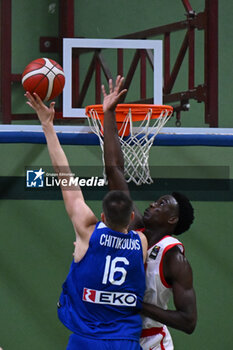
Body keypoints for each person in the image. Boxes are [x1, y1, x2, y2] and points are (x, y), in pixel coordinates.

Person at [25, 91, 148, 350]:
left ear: (102, 216)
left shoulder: (88, 232)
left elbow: (64, 174)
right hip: (125, 340)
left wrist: (47, 125)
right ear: (133, 217)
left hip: (87, 339)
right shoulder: (142, 242)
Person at [102, 76, 197, 350]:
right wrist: (110, 113)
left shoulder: (174, 257)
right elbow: (115, 171)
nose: (153, 205)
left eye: (162, 204)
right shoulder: (136, 228)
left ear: (172, 220)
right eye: (156, 201)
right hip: (119, 336)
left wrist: (137, 304)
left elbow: (189, 321)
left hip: (152, 341)